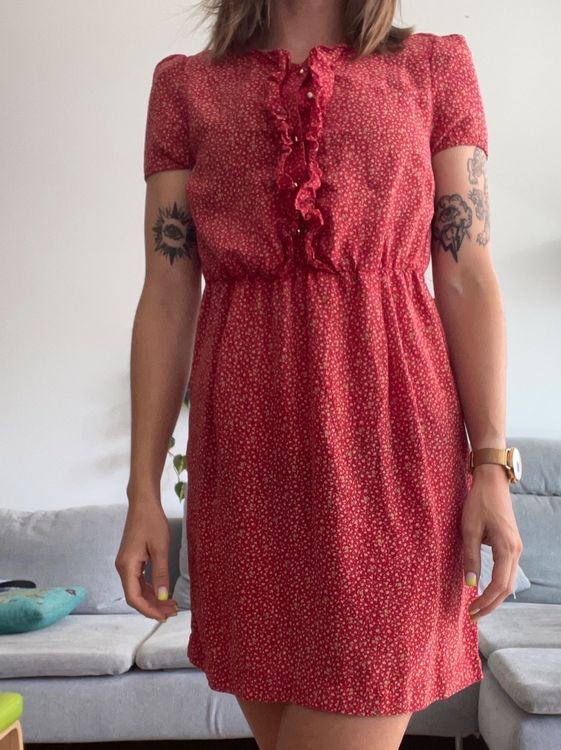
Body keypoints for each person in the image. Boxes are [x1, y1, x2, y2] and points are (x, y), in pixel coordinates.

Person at [115, 0, 525, 748]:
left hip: (391, 451)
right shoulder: (185, 86)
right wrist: (143, 488)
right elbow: (167, 294)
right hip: (246, 464)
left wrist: (491, 465)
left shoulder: (433, 68)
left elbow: (467, 273)